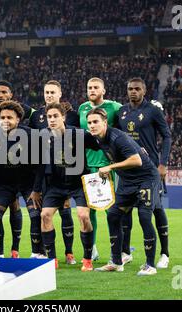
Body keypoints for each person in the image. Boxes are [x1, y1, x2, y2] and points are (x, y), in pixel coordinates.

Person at [86, 108, 160, 276]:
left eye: (95, 122)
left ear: (105, 123)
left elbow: (137, 160)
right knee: (113, 215)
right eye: (89, 122)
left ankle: (150, 265)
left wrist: (110, 167)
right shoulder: (97, 139)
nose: (92, 125)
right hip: (127, 182)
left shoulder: (116, 137)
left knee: (144, 216)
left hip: (146, 178)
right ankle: (116, 262)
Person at [116, 77, 172, 269]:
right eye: (130, 88)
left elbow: (166, 136)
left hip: (149, 170)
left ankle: (164, 253)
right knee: (124, 211)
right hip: (127, 170)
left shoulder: (153, 111)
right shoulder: (121, 112)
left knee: (155, 210)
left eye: (137, 89)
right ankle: (125, 253)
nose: (133, 91)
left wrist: (163, 163)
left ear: (144, 91)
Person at [38, 103, 96, 272]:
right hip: (56, 186)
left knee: (83, 216)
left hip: (78, 184)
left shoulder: (79, 134)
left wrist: (110, 163)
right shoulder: (44, 137)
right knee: (45, 215)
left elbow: (101, 145)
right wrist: (36, 190)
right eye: (49, 117)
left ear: (63, 117)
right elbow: (40, 166)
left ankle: (87, 259)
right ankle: (52, 259)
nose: (52, 120)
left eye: (55, 116)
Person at [0, 80, 34, 258]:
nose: (5, 121)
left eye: (9, 117)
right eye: (2, 118)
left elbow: (41, 165)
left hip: (26, 185)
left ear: (18, 119)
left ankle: (38, 254)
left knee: (36, 215)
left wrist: (38, 189)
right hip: (4, 184)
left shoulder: (30, 135)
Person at [29, 80, 79, 264]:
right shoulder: (36, 117)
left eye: (52, 92)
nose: (49, 95)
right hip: (45, 173)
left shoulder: (72, 115)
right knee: (43, 213)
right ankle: (45, 252)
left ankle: (69, 252)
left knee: (66, 211)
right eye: (46, 92)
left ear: (60, 93)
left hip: (65, 170)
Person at [77, 77, 122, 261]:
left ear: (103, 90)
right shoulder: (82, 108)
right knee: (90, 210)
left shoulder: (115, 107)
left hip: (109, 165)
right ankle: (92, 248)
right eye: (89, 87)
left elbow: (124, 129)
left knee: (114, 210)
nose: (92, 90)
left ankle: (121, 251)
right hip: (88, 164)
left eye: (96, 87)